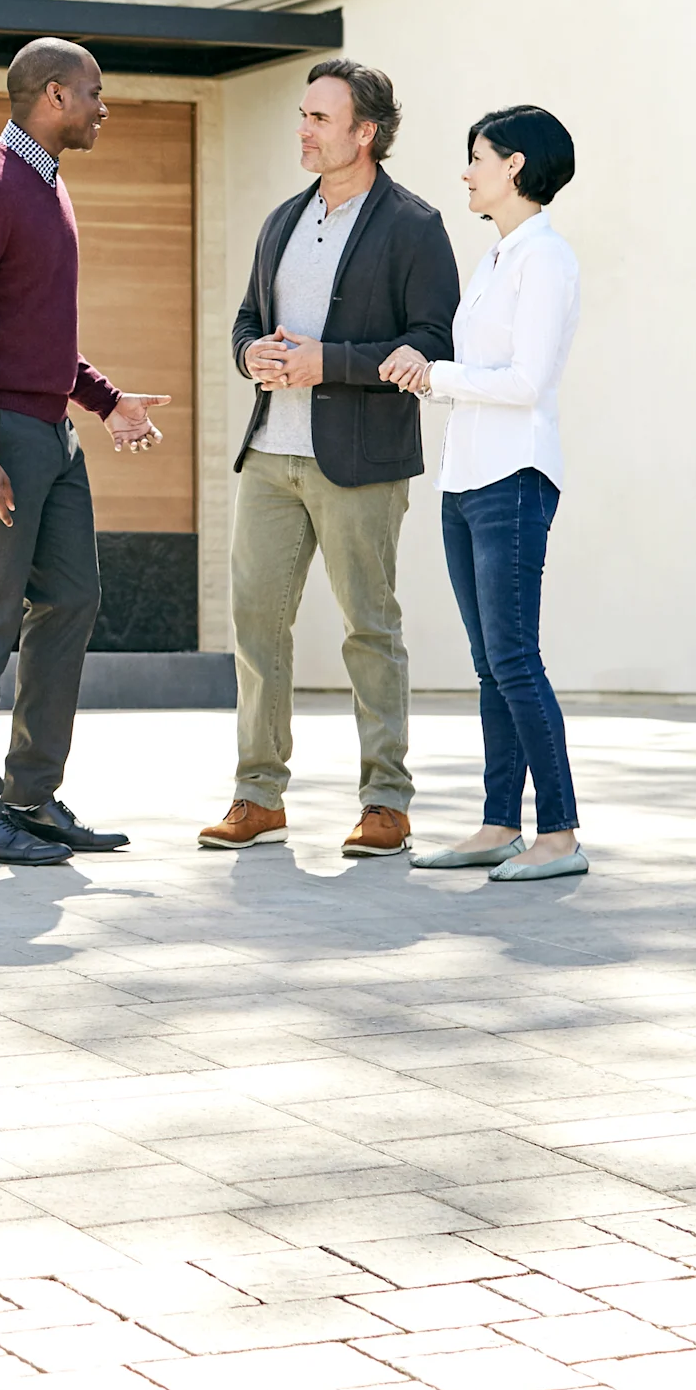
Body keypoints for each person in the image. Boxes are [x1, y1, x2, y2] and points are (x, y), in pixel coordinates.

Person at [204, 57, 458, 860]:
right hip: (270, 454)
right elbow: (249, 316)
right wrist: (252, 357)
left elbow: (434, 341)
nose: (304, 130)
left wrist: (330, 365)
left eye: (320, 118)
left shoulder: (414, 226)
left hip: (360, 461)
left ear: (365, 133)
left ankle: (386, 801)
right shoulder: (281, 219)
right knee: (256, 627)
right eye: (303, 115)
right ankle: (258, 796)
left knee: (369, 629)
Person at [0, 38, 168, 865]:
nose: (106, 107)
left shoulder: (47, 186)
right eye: (97, 93)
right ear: (56, 96)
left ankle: (30, 797)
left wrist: (106, 402)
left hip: (50, 434)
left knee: (71, 599)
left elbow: (36, 334)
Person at [381, 107, 586, 882]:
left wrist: (436, 376)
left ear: (516, 165)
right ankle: (500, 823)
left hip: (515, 480)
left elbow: (529, 382)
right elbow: (474, 374)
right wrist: (427, 373)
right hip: (463, 481)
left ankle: (559, 835)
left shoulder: (546, 259)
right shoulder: (495, 259)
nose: (466, 171)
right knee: (490, 666)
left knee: (515, 659)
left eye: (477, 157)